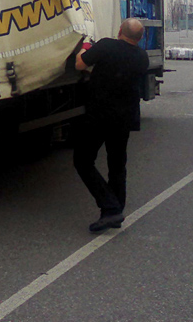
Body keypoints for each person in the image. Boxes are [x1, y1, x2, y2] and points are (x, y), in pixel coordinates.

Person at [73, 17, 150, 232]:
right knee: (117, 165)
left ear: (119, 31)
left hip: (99, 116)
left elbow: (80, 64)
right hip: (124, 119)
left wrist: (86, 47)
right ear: (140, 38)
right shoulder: (142, 57)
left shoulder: (106, 45)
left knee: (83, 161)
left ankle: (110, 206)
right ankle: (115, 211)